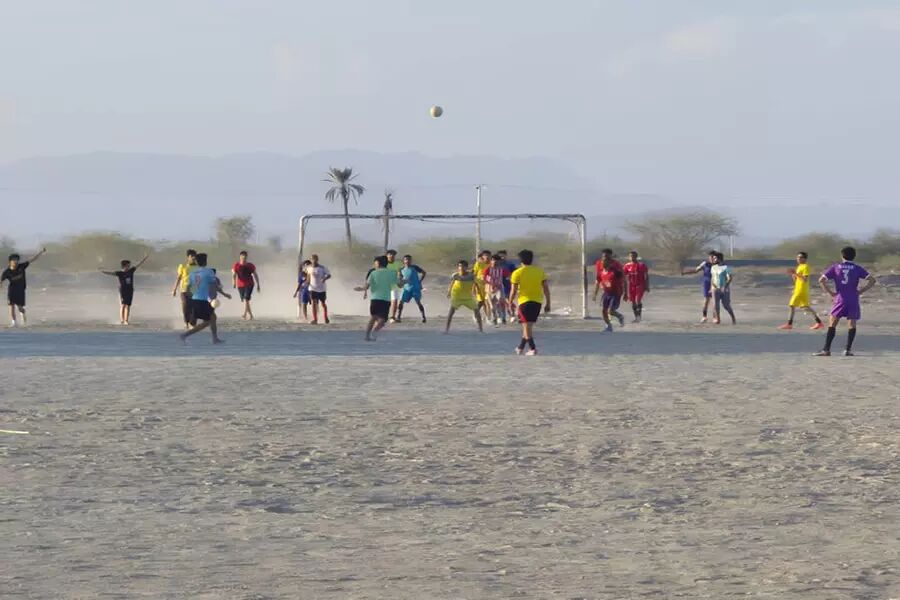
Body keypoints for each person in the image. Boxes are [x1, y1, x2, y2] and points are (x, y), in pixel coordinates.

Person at [814, 246, 877, 357]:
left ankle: (826, 349)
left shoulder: (836, 267)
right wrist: (861, 291)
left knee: (833, 323)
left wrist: (831, 293)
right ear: (854, 256)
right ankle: (847, 349)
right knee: (852, 324)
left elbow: (821, 280)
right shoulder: (857, 268)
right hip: (853, 298)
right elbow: (872, 280)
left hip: (840, 298)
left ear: (842, 255)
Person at [180, 253, 230, 344]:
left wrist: (191, 298)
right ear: (205, 262)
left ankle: (215, 338)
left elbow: (189, 289)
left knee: (213, 317)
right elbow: (214, 284)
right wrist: (224, 294)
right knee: (208, 321)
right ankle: (185, 335)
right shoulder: (209, 272)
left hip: (195, 299)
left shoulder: (192, 273)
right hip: (204, 300)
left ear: (197, 262)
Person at [509, 249, 550, 355]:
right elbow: (546, 288)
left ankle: (532, 348)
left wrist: (510, 302)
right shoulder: (539, 271)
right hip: (537, 302)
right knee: (527, 326)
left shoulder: (517, 273)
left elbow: (513, 290)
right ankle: (520, 347)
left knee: (526, 327)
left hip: (524, 302)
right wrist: (548, 303)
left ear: (520, 260)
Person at [778, 252, 825, 331]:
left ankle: (789, 324)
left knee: (792, 305)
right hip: (798, 289)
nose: (798, 259)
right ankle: (819, 323)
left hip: (801, 290)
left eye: (800, 257)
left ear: (805, 259)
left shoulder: (805, 266)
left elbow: (805, 279)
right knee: (805, 307)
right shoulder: (799, 267)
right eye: (797, 257)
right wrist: (793, 275)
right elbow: (797, 280)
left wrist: (795, 273)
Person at [99, 253, 150, 325]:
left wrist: (145, 258)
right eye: (128, 265)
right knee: (123, 305)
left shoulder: (131, 271)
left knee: (128, 305)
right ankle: (122, 320)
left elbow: (138, 264)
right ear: (124, 266)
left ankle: (126, 320)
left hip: (130, 290)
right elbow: (110, 273)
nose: (129, 266)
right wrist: (102, 271)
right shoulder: (119, 273)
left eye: (129, 265)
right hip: (122, 290)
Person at [1, 247, 47, 327]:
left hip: (21, 290)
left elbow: (32, 259)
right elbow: (1, 280)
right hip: (12, 290)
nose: (16, 261)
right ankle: (14, 322)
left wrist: (41, 252)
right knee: (11, 306)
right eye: (14, 260)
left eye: (17, 260)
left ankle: (22, 314)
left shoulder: (21, 266)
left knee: (20, 308)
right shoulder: (7, 272)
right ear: (10, 261)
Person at [357, 255, 397, 341]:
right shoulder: (392, 273)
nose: (375, 265)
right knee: (383, 319)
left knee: (373, 317)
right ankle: (375, 331)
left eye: (375, 263)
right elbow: (399, 284)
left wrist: (361, 289)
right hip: (386, 299)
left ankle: (367, 336)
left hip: (374, 299)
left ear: (378, 263)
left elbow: (366, 286)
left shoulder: (373, 273)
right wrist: (404, 281)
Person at [444, 260, 483, 334]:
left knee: (477, 311)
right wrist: (449, 292)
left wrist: (480, 292)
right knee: (451, 312)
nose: (461, 268)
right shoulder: (455, 275)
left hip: (468, 297)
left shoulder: (471, 276)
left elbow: (477, 283)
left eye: (463, 266)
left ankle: (481, 329)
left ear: (466, 267)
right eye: (459, 266)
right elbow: (452, 284)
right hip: (457, 297)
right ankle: (446, 330)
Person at [592, 249, 625, 332]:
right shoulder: (600, 270)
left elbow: (624, 280)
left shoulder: (615, 270)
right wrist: (595, 293)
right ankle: (608, 326)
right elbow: (598, 281)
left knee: (610, 311)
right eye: (603, 258)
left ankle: (620, 316)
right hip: (606, 293)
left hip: (616, 292)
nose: (604, 261)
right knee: (604, 311)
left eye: (607, 258)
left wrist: (625, 293)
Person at [682, 251, 717, 323]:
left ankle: (715, 317)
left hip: (715, 284)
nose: (712, 258)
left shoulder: (718, 265)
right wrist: (685, 272)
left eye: (713, 257)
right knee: (706, 300)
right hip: (706, 283)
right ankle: (704, 316)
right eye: (710, 257)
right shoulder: (705, 264)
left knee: (714, 301)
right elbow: (696, 270)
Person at [396, 254, 427, 323]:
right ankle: (398, 317)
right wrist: (401, 282)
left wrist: (420, 281)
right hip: (406, 288)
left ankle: (423, 317)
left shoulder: (415, 267)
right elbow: (399, 280)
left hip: (415, 288)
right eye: (406, 259)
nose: (407, 261)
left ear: (411, 260)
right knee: (401, 302)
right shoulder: (401, 269)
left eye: (409, 260)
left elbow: (424, 272)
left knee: (418, 302)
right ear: (403, 261)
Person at [172, 249, 198, 329]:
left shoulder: (198, 267)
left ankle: (192, 323)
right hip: (184, 290)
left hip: (194, 290)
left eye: (194, 256)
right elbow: (179, 278)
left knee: (195, 307)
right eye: (192, 256)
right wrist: (174, 289)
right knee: (186, 306)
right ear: (188, 257)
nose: (193, 257)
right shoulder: (182, 266)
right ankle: (186, 323)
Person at [232, 250, 261, 321]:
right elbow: (234, 275)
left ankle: (244, 314)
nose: (244, 259)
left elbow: (255, 274)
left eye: (245, 257)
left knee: (246, 299)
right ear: (240, 257)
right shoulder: (236, 265)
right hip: (240, 285)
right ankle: (251, 315)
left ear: (246, 257)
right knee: (245, 300)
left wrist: (258, 284)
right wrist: (234, 283)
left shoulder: (250, 265)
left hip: (249, 284)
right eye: (242, 257)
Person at [622, 250, 650, 323]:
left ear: (636, 257)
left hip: (640, 284)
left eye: (634, 256)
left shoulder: (642, 265)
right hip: (631, 285)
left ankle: (639, 317)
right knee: (633, 301)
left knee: (638, 300)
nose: (632, 257)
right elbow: (623, 276)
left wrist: (647, 285)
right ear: (629, 257)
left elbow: (646, 276)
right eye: (631, 256)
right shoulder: (627, 266)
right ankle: (636, 317)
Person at [710, 252, 736, 325]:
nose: (713, 259)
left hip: (724, 289)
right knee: (715, 305)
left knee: (726, 305)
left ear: (719, 259)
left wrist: (725, 286)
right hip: (715, 288)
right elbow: (712, 278)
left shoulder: (726, 267)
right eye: (713, 258)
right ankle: (718, 319)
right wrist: (712, 286)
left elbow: (729, 278)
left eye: (715, 258)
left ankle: (733, 318)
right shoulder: (713, 267)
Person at [484, 254, 511, 326]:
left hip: (499, 288)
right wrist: (492, 284)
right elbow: (485, 279)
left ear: (499, 262)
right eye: (493, 260)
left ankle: (503, 317)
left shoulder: (502, 269)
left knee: (501, 302)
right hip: (490, 288)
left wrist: (508, 280)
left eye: (496, 260)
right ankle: (494, 318)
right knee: (491, 305)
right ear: (491, 261)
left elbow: (509, 276)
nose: (494, 262)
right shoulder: (488, 269)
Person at [304, 254, 331, 324]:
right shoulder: (309, 268)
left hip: (321, 288)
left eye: (315, 259)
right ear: (311, 260)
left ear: (317, 259)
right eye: (312, 259)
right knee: (313, 303)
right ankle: (315, 319)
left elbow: (329, 275)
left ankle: (326, 317)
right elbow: (308, 277)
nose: (314, 260)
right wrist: (306, 284)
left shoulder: (322, 268)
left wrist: (324, 279)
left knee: (323, 304)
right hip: (312, 288)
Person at [472, 250, 493, 323]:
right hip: (479, 285)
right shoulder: (478, 264)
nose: (487, 257)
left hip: (488, 286)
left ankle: (488, 318)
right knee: (481, 302)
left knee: (487, 302)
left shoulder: (492, 264)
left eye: (488, 255)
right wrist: (473, 287)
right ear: (482, 256)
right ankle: (475, 315)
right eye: (485, 255)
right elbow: (474, 275)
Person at [385, 249, 403, 322]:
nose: (391, 255)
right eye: (390, 254)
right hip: (385, 284)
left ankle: (392, 317)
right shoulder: (383, 264)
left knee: (394, 300)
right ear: (387, 255)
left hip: (394, 284)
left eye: (393, 254)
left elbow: (401, 272)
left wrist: (400, 276)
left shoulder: (398, 263)